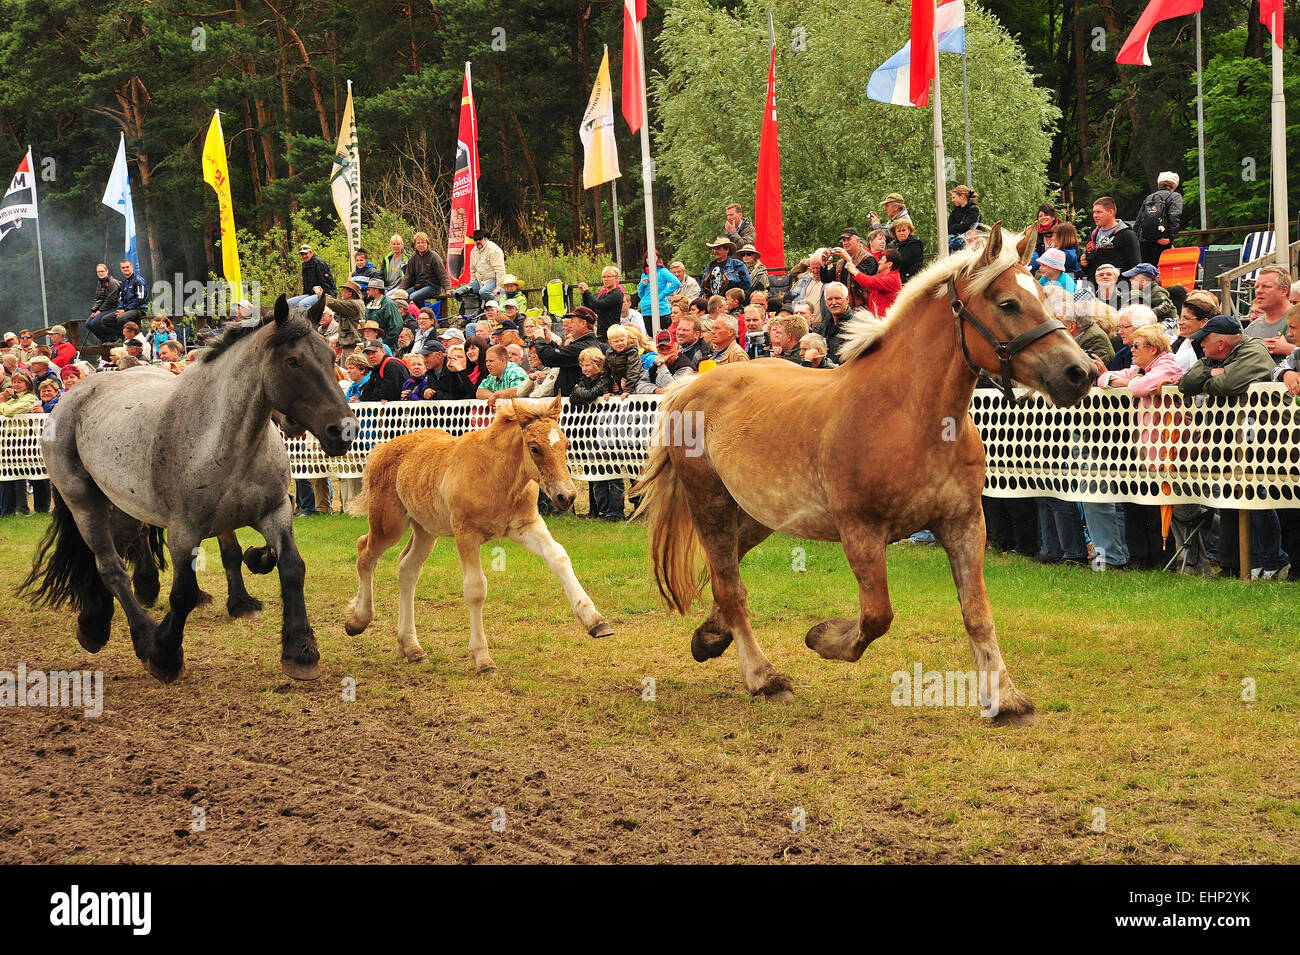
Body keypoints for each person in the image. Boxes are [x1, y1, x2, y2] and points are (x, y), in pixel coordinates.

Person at [531, 307, 603, 397]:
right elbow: (563, 357)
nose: (569, 326)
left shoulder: (583, 346)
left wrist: (539, 339)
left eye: (572, 322)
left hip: (577, 403)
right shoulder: (584, 343)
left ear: (583, 323)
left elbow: (548, 357)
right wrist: (550, 343)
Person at [1079, 196, 1141, 286]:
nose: (1095, 215)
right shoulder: (1094, 234)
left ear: (1111, 212)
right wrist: (1084, 264)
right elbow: (1090, 265)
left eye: (1099, 212)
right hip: (1094, 288)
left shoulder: (1127, 234)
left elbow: (1135, 266)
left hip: (1118, 289)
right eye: (1094, 212)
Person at [1243, 264, 1297, 361]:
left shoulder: (1297, 318)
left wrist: (1287, 348)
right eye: (1257, 287)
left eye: (1266, 286)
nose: (1259, 291)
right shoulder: (1251, 328)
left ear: (1284, 291)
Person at [1134, 172, 1183, 266]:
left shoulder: (1150, 197)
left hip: (1145, 240)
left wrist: (1136, 238)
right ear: (1174, 185)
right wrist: (1170, 238)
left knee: (1147, 271)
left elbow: (1139, 219)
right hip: (1162, 240)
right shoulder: (1175, 196)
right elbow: (1174, 216)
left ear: (1159, 184)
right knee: (1163, 270)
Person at [817, 281, 870, 364]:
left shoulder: (855, 328)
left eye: (838, 298)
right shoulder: (823, 325)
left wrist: (823, 361)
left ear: (847, 299)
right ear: (826, 302)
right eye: (830, 299)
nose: (833, 303)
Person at [1121, 263, 1177, 334]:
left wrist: (1150, 314)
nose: (1130, 280)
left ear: (1144, 281)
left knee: (1158, 333)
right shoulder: (1142, 292)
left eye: (1133, 278)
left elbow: (1166, 304)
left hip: (1169, 320)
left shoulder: (1157, 291)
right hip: (1156, 319)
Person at [401, 231, 451, 309]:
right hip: (419, 286)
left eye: (423, 242)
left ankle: (424, 313)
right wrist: (401, 290)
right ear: (415, 245)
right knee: (402, 296)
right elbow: (408, 276)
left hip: (433, 287)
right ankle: (417, 315)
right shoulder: (413, 258)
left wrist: (448, 289)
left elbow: (443, 275)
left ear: (427, 243)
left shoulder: (434, 256)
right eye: (418, 243)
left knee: (413, 297)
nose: (421, 245)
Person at [1171, 290, 1217, 371]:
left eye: (1186, 318)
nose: (1180, 322)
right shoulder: (1182, 342)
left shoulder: (1209, 347)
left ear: (1204, 322)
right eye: (1180, 317)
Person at [636, 251, 681, 334]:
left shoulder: (662, 271)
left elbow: (676, 282)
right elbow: (641, 295)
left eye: (653, 257)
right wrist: (642, 285)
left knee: (664, 338)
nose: (649, 260)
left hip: (661, 310)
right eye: (647, 258)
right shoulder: (644, 274)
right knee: (651, 337)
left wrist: (661, 296)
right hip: (646, 310)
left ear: (657, 259)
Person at [852, 249, 902, 317]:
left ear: (889, 264)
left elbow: (870, 282)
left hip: (885, 321)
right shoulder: (882, 276)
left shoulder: (893, 279)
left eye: (882, 260)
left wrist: (854, 271)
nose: (879, 262)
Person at [288, 244, 334, 309]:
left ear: (311, 253)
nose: (304, 256)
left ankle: (308, 319)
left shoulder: (318, 263)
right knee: (289, 302)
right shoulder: (304, 265)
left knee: (303, 304)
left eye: (306, 253)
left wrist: (330, 297)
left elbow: (327, 282)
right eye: (302, 254)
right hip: (310, 294)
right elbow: (305, 284)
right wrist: (304, 295)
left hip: (323, 294)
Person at [364, 278, 404, 351]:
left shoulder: (389, 304)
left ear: (376, 290)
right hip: (371, 345)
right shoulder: (370, 305)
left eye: (369, 290)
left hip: (387, 347)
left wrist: (385, 343)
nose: (367, 292)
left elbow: (397, 326)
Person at [466, 227, 507, 297]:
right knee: (461, 292)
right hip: (479, 282)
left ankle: (496, 305)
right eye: (475, 240)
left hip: (493, 279)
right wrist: (472, 285)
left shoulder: (494, 250)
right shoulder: (473, 251)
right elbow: (472, 271)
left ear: (486, 238)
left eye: (480, 239)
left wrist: (499, 287)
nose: (478, 241)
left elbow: (500, 270)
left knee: (484, 292)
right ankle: (477, 307)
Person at [603, 325, 644, 394]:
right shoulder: (609, 353)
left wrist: (628, 389)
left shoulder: (632, 352)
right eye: (616, 341)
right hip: (620, 386)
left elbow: (633, 371)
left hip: (636, 382)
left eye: (622, 340)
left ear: (627, 339)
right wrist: (607, 391)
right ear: (610, 343)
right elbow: (605, 373)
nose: (620, 343)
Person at [87, 263, 121, 335]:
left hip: (113, 307)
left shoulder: (112, 283)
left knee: (95, 323)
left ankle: (115, 337)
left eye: (102, 271)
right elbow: (97, 298)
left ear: (107, 271)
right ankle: (105, 339)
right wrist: (95, 310)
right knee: (88, 324)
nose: (100, 273)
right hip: (102, 309)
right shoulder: (100, 283)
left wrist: (99, 311)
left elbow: (110, 300)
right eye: (98, 272)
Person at [948, 185, 981, 250]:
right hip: (955, 240)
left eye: (954, 197)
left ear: (962, 197)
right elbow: (948, 228)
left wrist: (954, 227)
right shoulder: (955, 211)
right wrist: (957, 227)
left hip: (969, 243)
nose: (952, 200)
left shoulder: (974, 209)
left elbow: (965, 226)